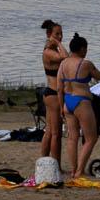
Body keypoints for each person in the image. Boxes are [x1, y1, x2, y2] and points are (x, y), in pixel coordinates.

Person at [57, 33, 100, 175]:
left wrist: (61, 107)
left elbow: (59, 88)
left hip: (67, 101)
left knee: (72, 138)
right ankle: (79, 170)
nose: (86, 52)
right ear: (82, 49)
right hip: (81, 101)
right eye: (86, 49)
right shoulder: (86, 63)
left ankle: (73, 169)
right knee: (91, 138)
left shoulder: (63, 63)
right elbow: (99, 76)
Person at [39, 20, 65, 162]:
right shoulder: (49, 52)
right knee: (56, 134)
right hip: (53, 94)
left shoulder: (52, 50)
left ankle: (43, 162)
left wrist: (56, 43)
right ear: (49, 34)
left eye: (61, 34)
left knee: (49, 131)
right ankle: (56, 165)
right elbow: (65, 57)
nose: (60, 36)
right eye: (57, 34)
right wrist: (59, 44)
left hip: (52, 93)